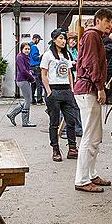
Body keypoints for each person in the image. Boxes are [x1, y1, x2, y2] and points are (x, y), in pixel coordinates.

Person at [73, 8, 112, 193]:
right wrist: (100, 87)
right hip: (88, 89)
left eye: (111, 22)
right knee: (89, 136)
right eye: (107, 21)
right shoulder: (92, 36)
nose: (109, 25)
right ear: (98, 20)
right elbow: (90, 63)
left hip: (88, 88)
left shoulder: (95, 36)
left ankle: (90, 174)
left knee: (95, 136)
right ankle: (82, 179)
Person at [41, 29, 78, 162]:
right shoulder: (48, 55)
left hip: (67, 90)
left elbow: (69, 72)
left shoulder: (67, 54)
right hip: (54, 90)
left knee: (71, 121)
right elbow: (43, 74)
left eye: (64, 39)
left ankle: (72, 148)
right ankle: (55, 149)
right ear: (54, 39)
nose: (63, 41)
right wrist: (49, 92)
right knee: (54, 123)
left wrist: (72, 89)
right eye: (61, 38)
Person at [6, 43, 37, 127]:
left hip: (24, 79)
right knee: (28, 100)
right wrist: (31, 78)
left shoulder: (26, 57)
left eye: (28, 49)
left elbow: (27, 69)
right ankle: (25, 121)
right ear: (22, 49)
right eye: (25, 49)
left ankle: (12, 113)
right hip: (22, 80)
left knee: (28, 99)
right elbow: (23, 70)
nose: (27, 50)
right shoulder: (20, 57)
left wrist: (31, 72)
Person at [29, 34, 43, 104]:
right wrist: (41, 56)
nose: (39, 41)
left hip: (31, 67)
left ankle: (32, 100)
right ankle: (39, 100)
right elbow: (35, 57)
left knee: (33, 84)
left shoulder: (29, 46)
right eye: (39, 40)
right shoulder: (34, 47)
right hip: (36, 66)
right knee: (39, 84)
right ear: (35, 39)